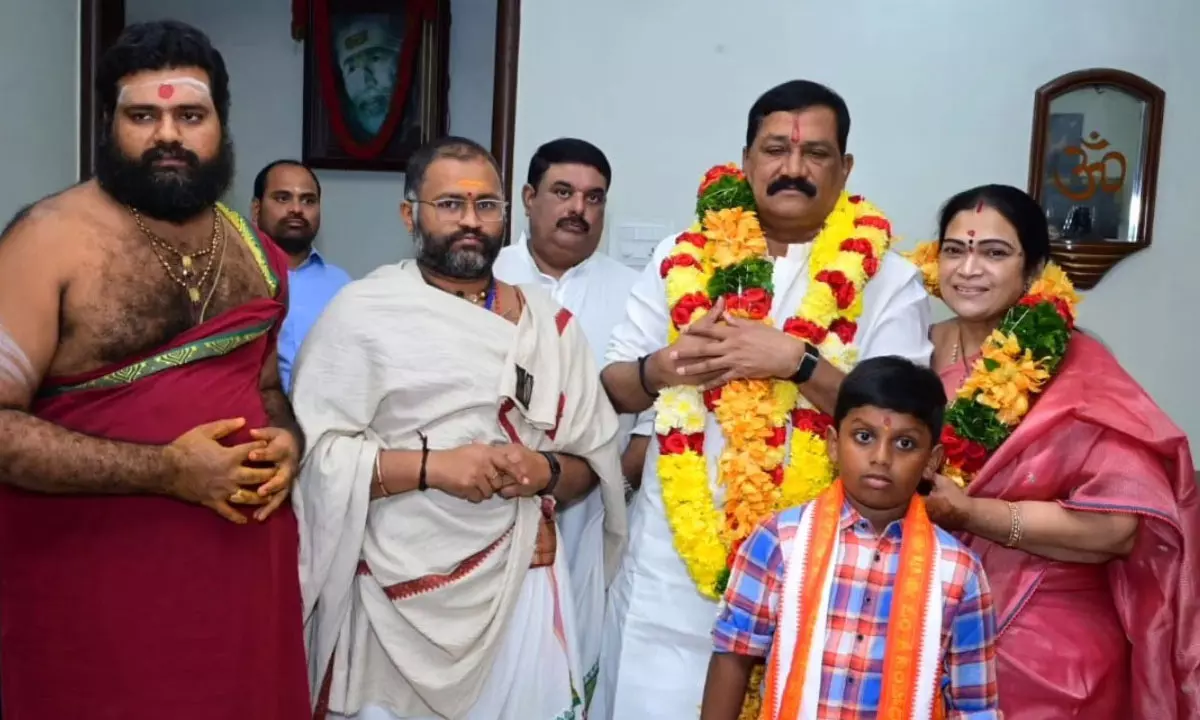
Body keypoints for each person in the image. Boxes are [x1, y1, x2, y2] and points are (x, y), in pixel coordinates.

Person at [0, 20, 309, 720]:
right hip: (93, 607)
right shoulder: (46, 242)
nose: (168, 135)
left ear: (221, 123)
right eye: (142, 116)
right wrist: (165, 471)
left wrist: (290, 442)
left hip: (238, 597)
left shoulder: (256, 253)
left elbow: (266, 388)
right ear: (108, 125)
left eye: (190, 116)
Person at [597, 79, 934, 717]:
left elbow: (903, 424)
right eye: (776, 149)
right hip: (673, 566)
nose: (793, 168)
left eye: (815, 154)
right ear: (747, 159)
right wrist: (666, 366)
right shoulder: (681, 257)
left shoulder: (888, 279)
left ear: (845, 169)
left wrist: (796, 362)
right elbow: (613, 388)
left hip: (819, 564)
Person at [291, 136, 627, 720]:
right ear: (410, 215)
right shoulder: (362, 314)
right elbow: (314, 460)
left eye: (486, 205)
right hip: (396, 600)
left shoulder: (550, 326)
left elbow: (590, 465)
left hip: (521, 583)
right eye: (450, 204)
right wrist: (433, 469)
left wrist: (544, 470)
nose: (471, 221)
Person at [921, 184, 1200, 718]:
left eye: (994, 252)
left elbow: (1118, 530)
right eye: (954, 250)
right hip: (920, 621)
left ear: (1033, 269)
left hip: (1051, 651)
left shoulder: (1078, 368)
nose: (968, 269)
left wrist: (971, 514)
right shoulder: (910, 344)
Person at [701, 356, 999, 719]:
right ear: (833, 443)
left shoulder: (959, 572)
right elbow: (733, 657)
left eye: (905, 443)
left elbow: (974, 707)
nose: (881, 457)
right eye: (864, 437)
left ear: (931, 462)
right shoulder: (779, 541)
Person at [493, 137, 650, 700]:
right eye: (563, 192)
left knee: (573, 659)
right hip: (489, 510)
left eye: (594, 197)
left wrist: (610, 486)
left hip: (594, 519)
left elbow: (652, 417)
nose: (578, 209)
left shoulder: (634, 292)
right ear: (528, 197)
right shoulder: (487, 275)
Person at [251, 159, 351, 392]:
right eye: (282, 198)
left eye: (308, 200)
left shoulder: (343, 287)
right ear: (256, 209)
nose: (296, 209)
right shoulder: (234, 281)